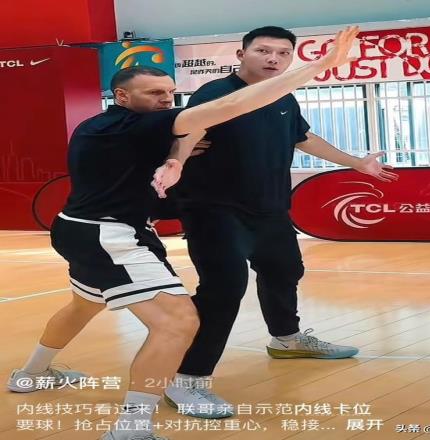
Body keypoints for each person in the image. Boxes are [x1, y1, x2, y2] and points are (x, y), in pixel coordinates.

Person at [7, 26, 360, 440]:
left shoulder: (102, 126)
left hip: (84, 229)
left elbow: (177, 140)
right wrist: (321, 66)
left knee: (82, 306)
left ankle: (31, 373)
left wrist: (176, 157)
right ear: (122, 97)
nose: (165, 100)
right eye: (154, 93)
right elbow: (230, 106)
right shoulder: (139, 127)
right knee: (178, 322)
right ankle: (133, 428)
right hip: (109, 236)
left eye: (170, 92)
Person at [164, 26, 398, 419]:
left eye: (283, 53)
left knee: (285, 269)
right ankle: (188, 378)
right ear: (241, 55)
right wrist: (176, 160)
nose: (273, 59)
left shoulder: (284, 97)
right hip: (214, 209)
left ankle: (287, 339)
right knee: (224, 288)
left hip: (269, 208)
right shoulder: (215, 93)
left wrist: (356, 162)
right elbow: (189, 132)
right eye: (263, 50)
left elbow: (303, 138)